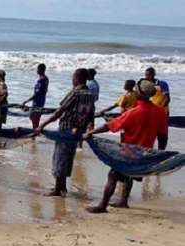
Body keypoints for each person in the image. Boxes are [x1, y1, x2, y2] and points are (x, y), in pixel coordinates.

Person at [84, 79, 168, 213]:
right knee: (129, 175)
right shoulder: (160, 112)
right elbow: (163, 136)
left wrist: (91, 132)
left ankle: (102, 205)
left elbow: (110, 126)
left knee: (113, 176)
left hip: (128, 152)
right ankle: (123, 201)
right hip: (145, 154)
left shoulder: (133, 112)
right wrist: (160, 154)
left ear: (139, 93)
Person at [35, 68, 95, 197]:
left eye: (73, 77)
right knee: (68, 158)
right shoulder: (90, 94)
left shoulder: (75, 92)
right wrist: (90, 129)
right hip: (77, 132)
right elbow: (91, 114)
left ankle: (57, 189)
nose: (72, 80)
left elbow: (60, 111)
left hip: (66, 128)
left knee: (60, 157)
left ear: (77, 78)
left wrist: (43, 125)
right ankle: (63, 187)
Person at [145, 67, 170, 150]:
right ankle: (148, 152)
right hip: (151, 114)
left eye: (148, 75)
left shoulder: (162, 83)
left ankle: (161, 152)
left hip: (163, 113)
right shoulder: (146, 86)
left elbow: (167, 98)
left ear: (153, 75)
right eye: (145, 75)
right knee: (149, 134)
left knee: (162, 134)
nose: (146, 77)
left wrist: (160, 110)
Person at [22, 63, 49, 129]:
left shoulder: (41, 81)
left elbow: (36, 94)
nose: (36, 70)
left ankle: (35, 133)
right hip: (42, 101)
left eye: (37, 69)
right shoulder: (46, 79)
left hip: (37, 102)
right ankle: (35, 133)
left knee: (34, 119)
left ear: (40, 70)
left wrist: (26, 101)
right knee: (36, 119)